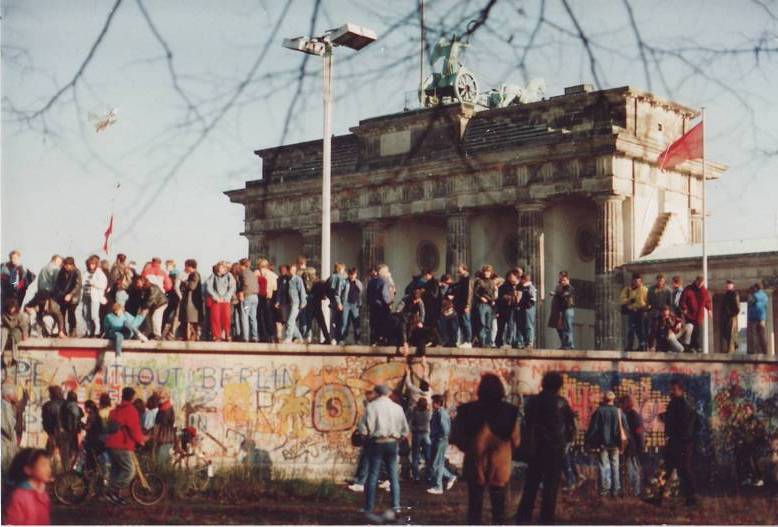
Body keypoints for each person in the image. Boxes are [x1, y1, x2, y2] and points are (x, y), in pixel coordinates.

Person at [450, 373, 520, 524]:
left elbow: (456, 436)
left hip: (475, 461)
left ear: (480, 389)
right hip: (501, 464)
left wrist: (470, 448)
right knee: (499, 510)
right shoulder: (511, 411)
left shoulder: (466, 410)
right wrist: (508, 453)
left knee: (474, 508)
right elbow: (516, 440)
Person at [516, 372, 572, 524]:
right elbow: (571, 426)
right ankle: (546, 519)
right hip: (555, 450)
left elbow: (527, 423)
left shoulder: (533, 401)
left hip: (537, 448)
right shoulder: (562, 402)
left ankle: (523, 517)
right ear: (559, 385)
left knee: (531, 484)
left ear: (543, 383)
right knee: (551, 487)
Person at [358, 384, 410, 522]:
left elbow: (363, 429)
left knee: (373, 475)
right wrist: (399, 437)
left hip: (376, 443)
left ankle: (368, 507)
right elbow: (405, 430)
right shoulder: (397, 408)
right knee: (393, 476)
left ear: (377, 393)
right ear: (388, 393)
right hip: (392, 443)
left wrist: (366, 436)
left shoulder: (371, 407)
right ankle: (396, 507)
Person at [650, 379, 700, 507]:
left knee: (681, 469)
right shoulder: (681, 403)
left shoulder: (680, 403)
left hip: (680, 442)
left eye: (673, 389)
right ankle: (660, 496)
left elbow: (681, 421)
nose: (670, 391)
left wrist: (667, 419)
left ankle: (690, 498)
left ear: (680, 390)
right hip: (680, 442)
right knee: (669, 469)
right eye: (670, 388)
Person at [104, 387, 147, 505]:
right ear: (132, 397)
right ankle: (111, 490)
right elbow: (134, 429)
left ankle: (115, 496)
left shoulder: (115, 410)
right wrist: (141, 441)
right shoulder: (130, 410)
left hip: (110, 444)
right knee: (129, 471)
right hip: (121, 445)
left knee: (116, 470)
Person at [585, 391, 629, 497]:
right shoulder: (619, 411)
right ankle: (615, 491)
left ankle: (605, 490)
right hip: (616, 444)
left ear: (604, 399)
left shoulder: (599, 411)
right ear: (613, 400)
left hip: (603, 444)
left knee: (604, 466)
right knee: (615, 466)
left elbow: (593, 429)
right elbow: (626, 428)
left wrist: (588, 441)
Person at [2, 448, 52, 525]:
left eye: (49, 465)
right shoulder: (18, 497)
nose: (49, 469)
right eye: (43, 465)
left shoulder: (43, 493)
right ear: (28, 469)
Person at [426, 394, 456, 494]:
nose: (431, 404)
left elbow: (445, 429)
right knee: (439, 463)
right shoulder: (438, 412)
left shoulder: (441, 413)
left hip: (440, 441)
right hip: (438, 440)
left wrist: (441, 438)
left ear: (437, 403)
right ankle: (450, 477)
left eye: (433, 402)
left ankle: (438, 487)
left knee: (435, 464)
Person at [733, 404, 766, 487]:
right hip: (748, 443)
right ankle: (748, 478)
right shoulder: (745, 419)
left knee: (755, 461)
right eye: (745, 410)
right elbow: (739, 429)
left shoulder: (754, 419)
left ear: (751, 410)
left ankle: (759, 479)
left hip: (755, 443)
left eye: (747, 410)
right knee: (745, 459)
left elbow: (751, 430)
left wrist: (745, 433)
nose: (746, 411)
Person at [679, 275, 712, 353]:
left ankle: (697, 347)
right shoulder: (688, 289)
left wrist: (709, 309)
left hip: (699, 315)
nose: (700, 285)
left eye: (702, 283)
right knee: (690, 330)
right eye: (699, 283)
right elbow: (682, 300)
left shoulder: (704, 291)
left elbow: (707, 301)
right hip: (689, 314)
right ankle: (689, 347)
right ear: (696, 281)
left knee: (698, 331)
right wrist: (684, 308)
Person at [206, 262, 236, 342]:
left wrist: (227, 297)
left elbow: (232, 287)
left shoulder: (229, 276)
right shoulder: (213, 276)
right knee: (215, 318)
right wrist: (215, 297)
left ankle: (227, 334)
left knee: (226, 318)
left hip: (226, 300)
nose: (222, 269)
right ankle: (216, 335)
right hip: (216, 301)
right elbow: (209, 287)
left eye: (223, 267)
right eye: (220, 267)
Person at [54, 257, 82, 337]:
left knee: (71, 313)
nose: (65, 267)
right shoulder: (62, 271)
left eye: (67, 265)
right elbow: (57, 284)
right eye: (65, 265)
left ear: (71, 265)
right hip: (63, 296)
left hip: (73, 297)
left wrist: (70, 294)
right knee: (61, 313)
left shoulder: (76, 272)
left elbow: (78, 285)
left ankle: (73, 330)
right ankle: (62, 330)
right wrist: (60, 293)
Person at [133, 275, 168, 340]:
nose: (137, 285)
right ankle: (152, 333)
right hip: (155, 305)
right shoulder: (144, 288)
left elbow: (151, 299)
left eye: (138, 283)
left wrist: (145, 308)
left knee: (155, 317)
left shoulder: (152, 287)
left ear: (142, 281)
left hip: (161, 303)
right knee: (150, 318)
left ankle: (157, 335)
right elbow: (145, 300)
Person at [622, 395, 644, 496]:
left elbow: (638, 432)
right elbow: (639, 433)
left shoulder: (626, 415)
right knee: (633, 468)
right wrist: (640, 446)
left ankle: (634, 491)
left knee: (631, 468)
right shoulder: (635, 415)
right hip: (632, 446)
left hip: (629, 446)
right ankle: (635, 491)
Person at [620, 273, 648, 351]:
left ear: (641, 281)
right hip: (632, 311)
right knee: (631, 329)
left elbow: (648, 301)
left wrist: (646, 308)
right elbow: (622, 300)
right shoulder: (628, 289)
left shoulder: (644, 289)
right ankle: (630, 345)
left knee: (641, 329)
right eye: (635, 281)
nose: (636, 283)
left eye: (638, 281)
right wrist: (629, 300)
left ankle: (642, 345)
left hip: (641, 311)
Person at [81, 255, 108, 337]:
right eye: (90, 264)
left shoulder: (100, 273)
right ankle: (89, 331)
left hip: (95, 297)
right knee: (86, 315)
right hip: (86, 296)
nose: (91, 266)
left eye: (93, 264)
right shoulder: (85, 273)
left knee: (94, 315)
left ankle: (96, 331)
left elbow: (103, 285)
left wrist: (94, 283)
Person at [549, 271, 576, 349]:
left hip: (568, 309)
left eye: (564, 280)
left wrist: (556, 293)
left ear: (568, 280)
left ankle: (569, 345)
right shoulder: (560, 288)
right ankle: (564, 344)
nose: (562, 282)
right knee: (561, 328)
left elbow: (565, 295)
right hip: (561, 310)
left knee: (567, 327)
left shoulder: (570, 288)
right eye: (561, 280)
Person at [646, 274, 673, 350]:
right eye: (658, 280)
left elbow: (670, 303)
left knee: (663, 330)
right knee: (653, 329)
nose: (660, 282)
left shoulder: (668, 290)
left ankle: (661, 347)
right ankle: (651, 346)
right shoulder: (651, 289)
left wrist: (668, 312)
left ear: (664, 281)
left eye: (661, 280)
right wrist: (649, 311)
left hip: (664, 313)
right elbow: (648, 302)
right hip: (654, 312)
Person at [178, 259, 202, 341]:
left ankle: (192, 337)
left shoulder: (194, 274)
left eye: (186, 266)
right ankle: (190, 337)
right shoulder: (194, 274)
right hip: (191, 301)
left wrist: (184, 282)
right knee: (190, 320)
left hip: (191, 301)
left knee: (191, 320)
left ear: (189, 266)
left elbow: (192, 286)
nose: (185, 268)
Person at [473, 265, 497, 348]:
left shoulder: (492, 282)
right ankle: (482, 342)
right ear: (483, 272)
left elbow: (493, 293)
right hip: (482, 304)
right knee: (481, 323)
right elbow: (475, 293)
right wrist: (481, 298)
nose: (487, 273)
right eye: (486, 271)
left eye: (489, 271)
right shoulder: (479, 281)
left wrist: (493, 300)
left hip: (490, 305)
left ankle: (487, 342)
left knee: (488, 324)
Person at [409, 397, 432, 482]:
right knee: (428, 457)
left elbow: (410, 422)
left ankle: (416, 476)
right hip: (426, 434)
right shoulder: (428, 412)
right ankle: (428, 476)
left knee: (415, 456)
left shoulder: (414, 412)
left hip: (416, 434)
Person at [40, 386, 65, 463]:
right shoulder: (67, 404)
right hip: (66, 436)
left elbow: (46, 423)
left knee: (48, 459)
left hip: (53, 435)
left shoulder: (47, 406)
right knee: (65, 461)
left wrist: (50, 434)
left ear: (51, 394)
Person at [496, 270, 520, 348]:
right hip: (503, 308)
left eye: (512, 276)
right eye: (510, 276)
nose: (511, 278)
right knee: (501, 326)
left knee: (511, 325)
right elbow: (500, 298)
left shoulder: (518, 286)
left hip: (512, 309)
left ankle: (509, 342)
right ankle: (499, 342)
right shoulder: (504, 286)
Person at [60, 391, 84, 470]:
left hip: (64, 432)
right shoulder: (76, 407)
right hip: (74, 432)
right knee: (74, 451)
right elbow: (80, 416)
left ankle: (66, 469)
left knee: (65, 453)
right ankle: (71, 468)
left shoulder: (63, 406)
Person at [2, 299, 30, 367]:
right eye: (10, 307)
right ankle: (1, 352)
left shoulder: (19, 315)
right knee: (3, 331)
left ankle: (15, 358)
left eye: (13, 307)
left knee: (14, 337)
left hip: (17, 330)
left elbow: (24, 325)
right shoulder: (4, 316)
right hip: (8, 329)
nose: (11, 309)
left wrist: (24, 334)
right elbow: (4, 325)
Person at [339, 267, 363, 345]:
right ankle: (342, 339)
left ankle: (358, 339)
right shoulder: (344, 282)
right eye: (351, 274)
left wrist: (360, 303)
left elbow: (361, 293)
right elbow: (339, 292)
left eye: (354, 274)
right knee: (344, 322)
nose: (352, 276)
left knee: (356, 322)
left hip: (355, 304)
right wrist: (340, 303)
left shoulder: (358, 283)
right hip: (346, 303)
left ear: (356, 275)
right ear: (348, 275)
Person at [256, 258, 277, 342]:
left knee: (260, 318)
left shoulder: (257, 274)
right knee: (270, 318)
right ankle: (271, 336)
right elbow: (276, 288)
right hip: (271, 299)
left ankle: (262, 336)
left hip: (261, 298)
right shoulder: (274, 275)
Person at [452, 264, 473, 348]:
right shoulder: (461, 280)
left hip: (464, 305)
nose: (458, 273)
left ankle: (468, 341)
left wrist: (467, 305)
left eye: (460, 271)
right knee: (462, 323)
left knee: (466, 322)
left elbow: (469, 293)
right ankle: (464, 340)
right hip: (459, 305)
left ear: (465, 270)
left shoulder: (468, 279)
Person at [306, 276, 331, 344]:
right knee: (322, 324)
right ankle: (327, 339)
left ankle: (308, 338)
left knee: (308, 323)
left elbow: (311, 293)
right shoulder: (322, 284)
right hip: (318, 306)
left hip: (311, 306)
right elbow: (324, 297)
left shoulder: (315, 284)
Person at [154, 390, 176, 465]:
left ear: (167, 398)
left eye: (162, 398)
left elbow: (162, 422)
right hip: (165, 438)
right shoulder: (163, 408)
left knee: (161, 463)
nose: (160, 400)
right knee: (163, 462)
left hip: (164, 438)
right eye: (159, 398)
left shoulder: (165, 409)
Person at [326, 263, 347, 344]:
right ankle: (335, 338)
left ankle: (336, 338)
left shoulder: (338, 277)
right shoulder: (336, 277)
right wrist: (337, 302)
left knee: (338, 321)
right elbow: (335, 292)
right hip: (337, 303)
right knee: (336, 321)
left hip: (337, 302)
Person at [516, 272, 537, 349]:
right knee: (521, 325)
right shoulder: (522, 287)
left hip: (528, 309)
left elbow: (532, 299)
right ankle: (522, 342)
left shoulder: (530, 287)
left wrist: (526, 305)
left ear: (524, 279)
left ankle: (529, 342)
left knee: (529, 325)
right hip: (522, 308)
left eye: (521, 279)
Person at [719, 280, 740, 353]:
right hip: (726, 317)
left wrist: (732, 314)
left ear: (732, 285)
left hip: (731, 317)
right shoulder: (726, 295)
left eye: (729, 284)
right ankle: (729, 349)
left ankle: (731, 351)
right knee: (726, 334)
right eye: (727, 284)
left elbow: (737, 307)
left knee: (731, 334)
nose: (727, 286)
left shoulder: (734, 294)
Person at [747, 282, 769, 354]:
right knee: (762, 335)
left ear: (756, 288)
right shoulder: (765, 296)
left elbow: (749, 302)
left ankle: (753, 352)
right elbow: (765, 306)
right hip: (762, 318)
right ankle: (765, 351)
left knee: (753, 335)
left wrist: (750, 294)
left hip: (754, 318)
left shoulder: (754, 295)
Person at [2, 384, 19, 473]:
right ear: (8, 396)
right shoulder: (4, 407)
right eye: (14, 394)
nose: (16, 396)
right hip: (5, 444)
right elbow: (7, 427)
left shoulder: (7, 406)